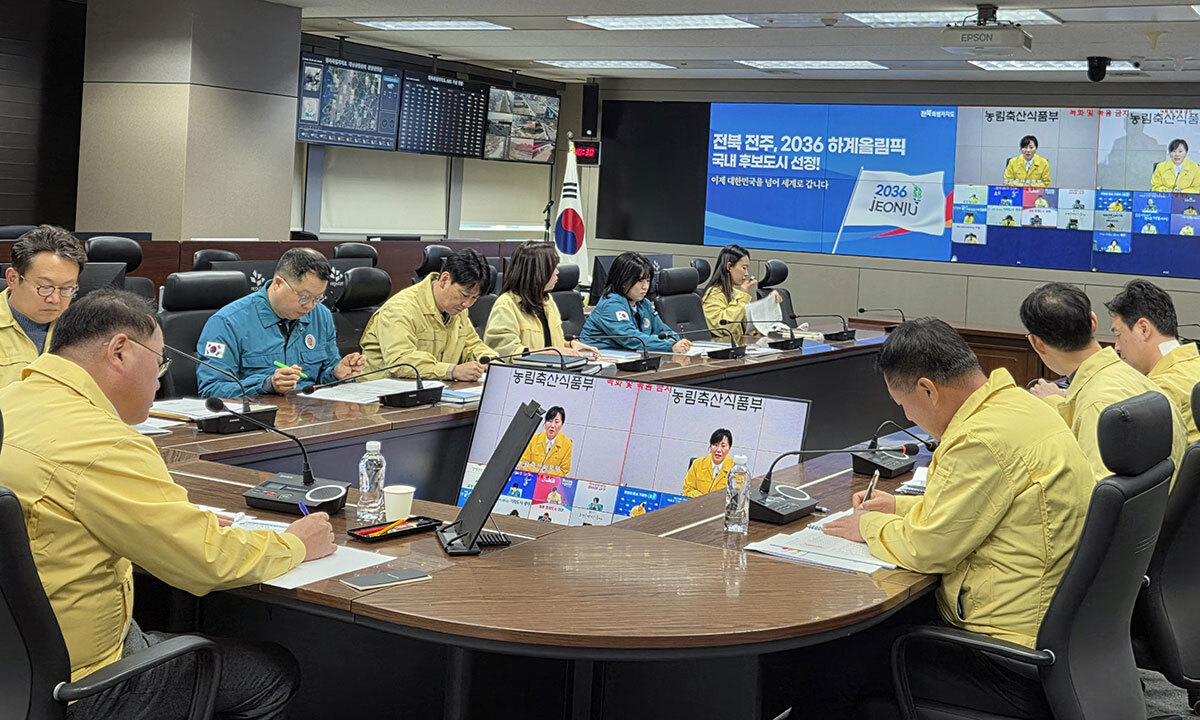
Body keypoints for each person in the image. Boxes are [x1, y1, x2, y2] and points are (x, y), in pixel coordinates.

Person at [0, 289, 336, 718]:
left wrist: (175, 522)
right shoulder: (106, 444)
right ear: (119, 352)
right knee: (270, 671)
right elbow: (205, 561)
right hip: (76, 685)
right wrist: (296, 544)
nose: (159, 380)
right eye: (159, 362)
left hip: (12, 673)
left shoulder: (9, 401)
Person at [822, 317, 1094, 718]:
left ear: (927, 390)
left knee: (830, 662)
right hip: (1061, 645)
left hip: (1007, 659)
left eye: (904, 406)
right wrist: (897, 507)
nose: (909, 418)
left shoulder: (979, 438)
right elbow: (979, 507)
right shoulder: (1018, 407)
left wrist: (867, 525)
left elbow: (929, 548)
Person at [1020, 282, 1186, 482]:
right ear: (1093, 322)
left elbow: (1101, 493)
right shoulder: (1140, 380)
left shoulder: (1096, 405)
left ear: (1036, 343)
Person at [197, 248, 364, 397]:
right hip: (259, 416)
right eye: (304, 297)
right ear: (278, 283)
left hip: (310, 414)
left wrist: (337, 373)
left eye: (318, 298)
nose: (310, 306)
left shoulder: (321, 315)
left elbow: (323, 376)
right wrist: (267, 385)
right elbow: (212, 389)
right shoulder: (227, 323)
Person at [360, 247, 495, 381]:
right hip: (382, 390)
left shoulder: (457, 311)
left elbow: (472, 346)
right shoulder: (400, 309)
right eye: (464, 295)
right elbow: (401, 361)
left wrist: (493, 363)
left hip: (432, 388)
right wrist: (451, 371)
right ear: (444, 279)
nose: (467, 304)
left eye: (474, 298)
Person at [1105, 279, 1200, 442]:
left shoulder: (1158, 395)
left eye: (1118, 334)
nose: (1117, 347)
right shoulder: (1193, 367)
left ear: (1143, 329)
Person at [0, 225, 87, 389]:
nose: (55, 299)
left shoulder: (85, 331)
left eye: (67, 288)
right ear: (13, 279)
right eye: (45, 287)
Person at [483, 241, 599, 359]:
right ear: (538, 272)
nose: (557, 272)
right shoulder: (505, 305)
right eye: (553, 267)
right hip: (523, 370)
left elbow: (550, 344)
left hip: (550, 367)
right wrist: (550, 352)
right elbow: (506, 352)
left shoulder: (546, 300)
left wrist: (570, 345)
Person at [580, 251, 691, 354]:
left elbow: (663, 330)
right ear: (623, 281)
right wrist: (669, 346)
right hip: (598, 358)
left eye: (648, 280)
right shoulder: (611, 304)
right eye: (640, 281)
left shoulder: (644, 303)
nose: (645, 286)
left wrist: (674, 339)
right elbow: (632, 339)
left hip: (630, 357)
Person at [701, 244, 780, 343]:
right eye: (744, 268)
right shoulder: (713, 293)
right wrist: (742, 297)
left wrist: (770, 303)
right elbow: (723, 328)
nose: (746, 273)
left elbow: (750, 328)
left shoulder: (737, 294)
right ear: (729, 266)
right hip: (724, 347)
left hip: (741, 345)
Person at [518, 405, 573, 475]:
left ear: (562, 424)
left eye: (556, 422)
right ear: (545, 423)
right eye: (549, 421)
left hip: (551, 480)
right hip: (530, 477)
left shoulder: (567, 444)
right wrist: (537, 471)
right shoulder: (533, 439)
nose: (552, 425)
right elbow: (522, 463)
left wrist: (548, 473)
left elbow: (564, 470)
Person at [682, 428, 734, 497]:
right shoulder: (697, 464)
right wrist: (702, 498)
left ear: (729, 448)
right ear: (710, 446)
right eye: (715, 445)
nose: (718, 450)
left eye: (723, 446)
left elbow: (736, 496)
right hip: (698, 502)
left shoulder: (734, 470)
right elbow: (687, 490)